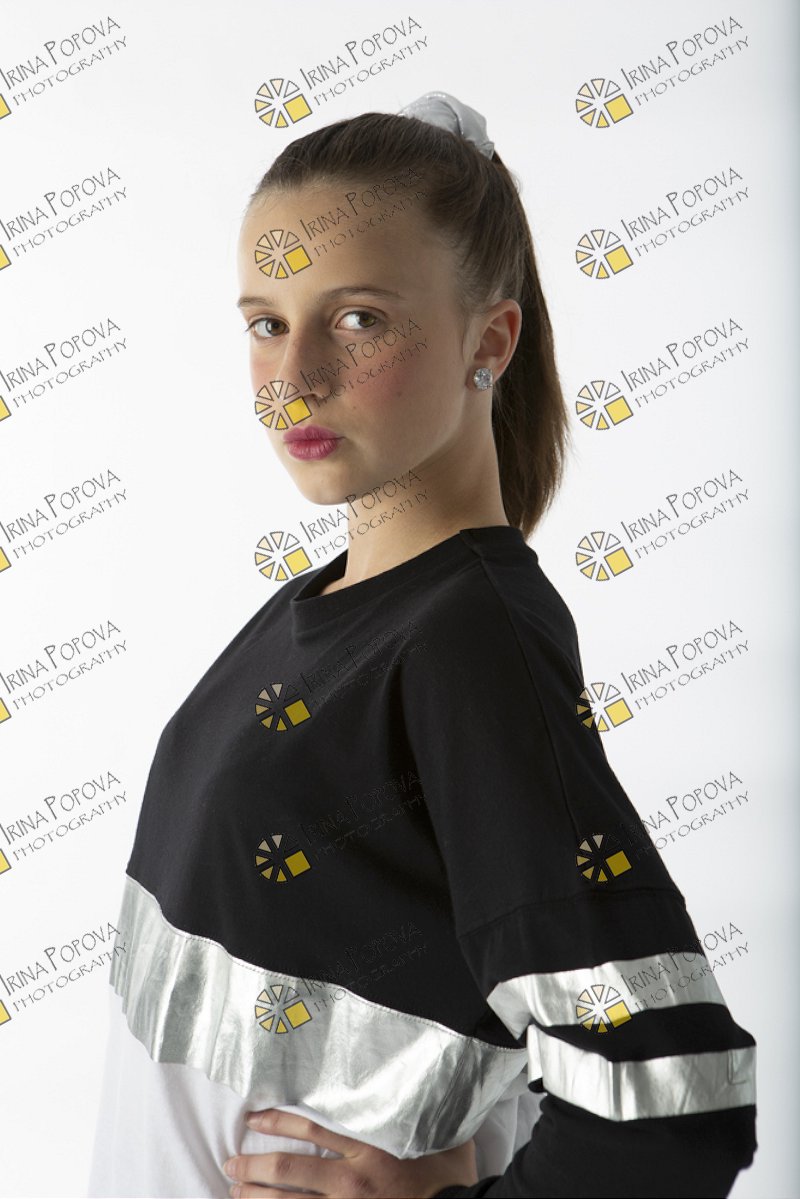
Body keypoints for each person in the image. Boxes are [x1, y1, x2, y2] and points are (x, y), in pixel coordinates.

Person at [87, 93, 757, 1198]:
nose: (293, 377)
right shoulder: (329, 603)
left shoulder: (466, 641)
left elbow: (668, 1102)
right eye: (266, 323)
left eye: (357, 319)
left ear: (488, 340)